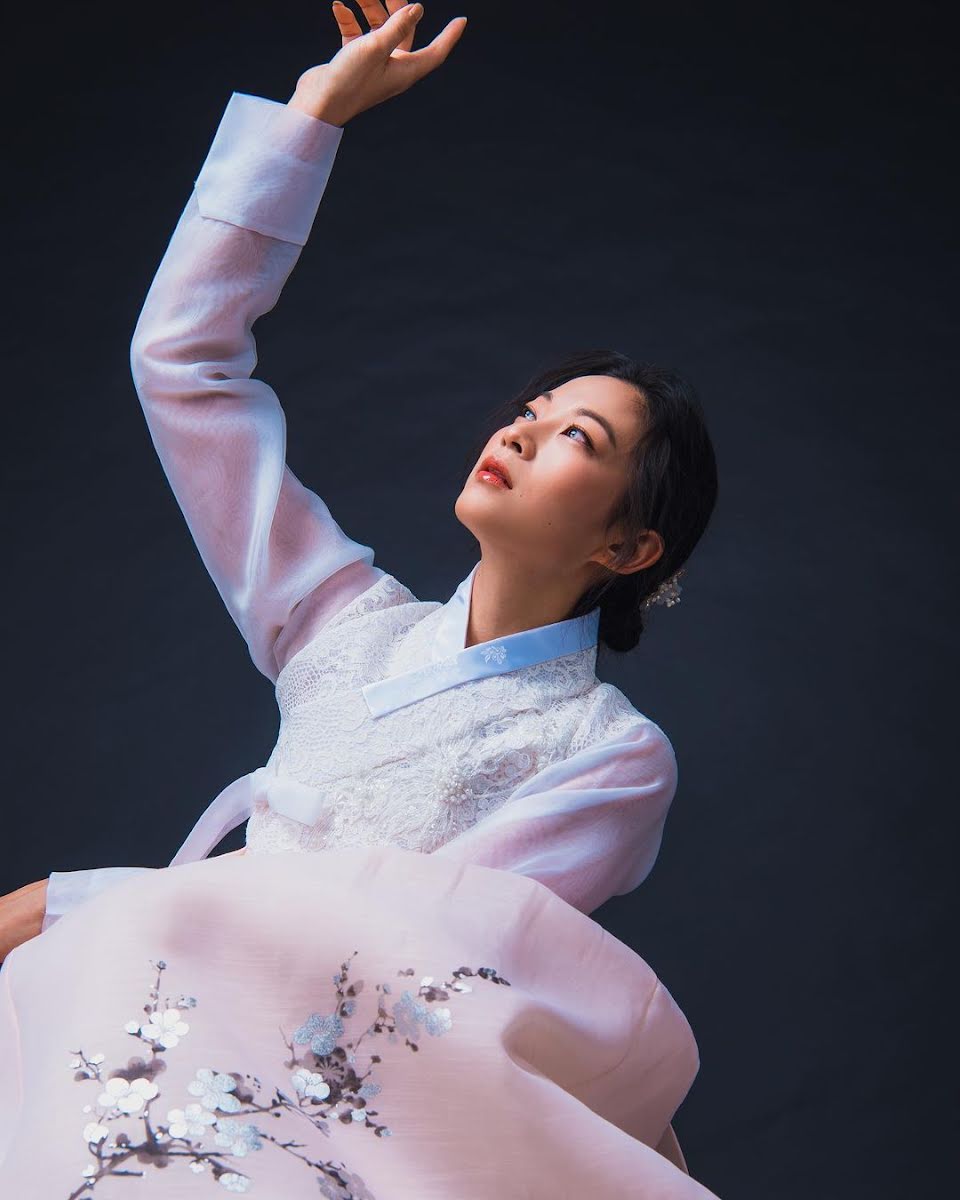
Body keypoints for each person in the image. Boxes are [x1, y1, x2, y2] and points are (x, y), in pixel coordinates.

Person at [0, 4, 721, 1196]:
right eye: (530, 412)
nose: (518, 433)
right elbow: (182, 368)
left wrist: (80, 903)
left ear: (631, 544)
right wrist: (312, 117)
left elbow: (412, 960)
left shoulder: (609, 756)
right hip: (179, 1028)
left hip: (364, 1114)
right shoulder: (342, 625)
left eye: (575, 439)